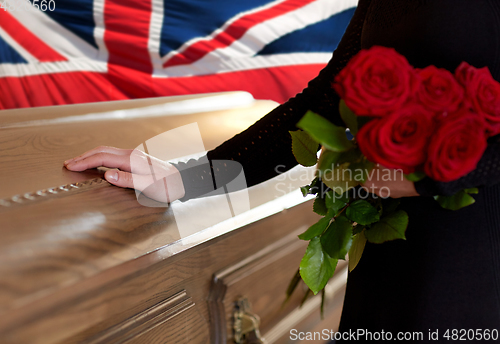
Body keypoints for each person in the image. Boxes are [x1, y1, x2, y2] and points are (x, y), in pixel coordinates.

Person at [64, 0, 500, 341]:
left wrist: (432, 174)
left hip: (476, 254)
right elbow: (329, 94)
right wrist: (186, 178)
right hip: (394, 249)